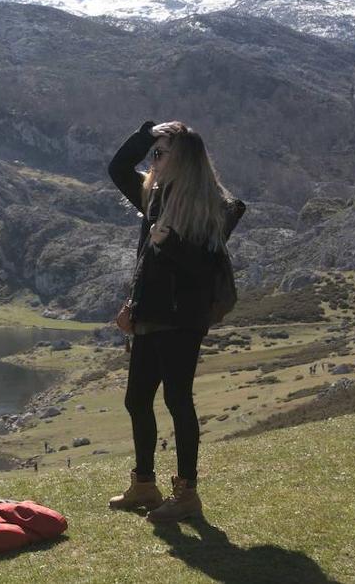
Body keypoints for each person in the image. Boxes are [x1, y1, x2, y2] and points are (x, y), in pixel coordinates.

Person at [106, 120, 245, 523]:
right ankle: (144, 484)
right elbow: (117, 169)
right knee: (136, 400)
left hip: (182, 318)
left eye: (160, 153)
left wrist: (172, 243)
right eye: (154, 153)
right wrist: (147, 131)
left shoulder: (216, 208)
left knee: (177, 400)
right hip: (150, 313)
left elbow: (205, 270)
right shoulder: (154, 197)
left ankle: (186, 493)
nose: (153, 160)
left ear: (181, 160)